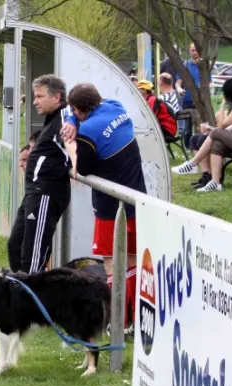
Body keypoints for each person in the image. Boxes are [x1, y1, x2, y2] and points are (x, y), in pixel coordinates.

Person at [61, 83, 147, 331]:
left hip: (110, 207)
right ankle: (132, 319)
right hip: (135, 199)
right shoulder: (115, 106)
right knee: (132, 260)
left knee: (111, 263)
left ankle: (118, 320)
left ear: (78, 108)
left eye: (73, 111)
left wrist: (70, 145)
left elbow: (83, 169)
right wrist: (71, 120)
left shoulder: (88, 131)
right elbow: (79, 114)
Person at [7, 74, 71, 274]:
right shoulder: (52, 119)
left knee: (33, 258)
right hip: (32, 193)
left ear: (57, 97)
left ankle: (33, 300)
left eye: (39, 96)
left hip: (46, 193)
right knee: (15, 245)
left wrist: (75, 165)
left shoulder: (65, 118)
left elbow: (74, 147)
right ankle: (20, 294)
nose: (34, 102)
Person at [172, 78, 232, 192]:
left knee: (216, 133)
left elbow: (222, 125)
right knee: (217, 143)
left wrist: (222, 105)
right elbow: (229, 128)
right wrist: (211, 129)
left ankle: (193, 164)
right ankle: (215, 183)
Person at [175, 43, 212, 147]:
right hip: (188, 99)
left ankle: (199, 146)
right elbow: (178, 81)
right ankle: (187, 147)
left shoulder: (204, 65)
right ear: (189, 51)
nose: (195, 52)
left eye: (196, 50)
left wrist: (206, 89)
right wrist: (179, 88)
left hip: (201, 100)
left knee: (201, 125)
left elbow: (210, 82)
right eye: (192, 50)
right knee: (187, 127)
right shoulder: (185, 65)